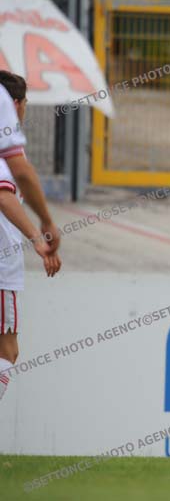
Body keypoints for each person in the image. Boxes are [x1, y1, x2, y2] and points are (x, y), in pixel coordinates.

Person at [0, 72, 62, 403]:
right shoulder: (7, 152)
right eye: (25, 103)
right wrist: (38, 237)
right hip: (1, 271)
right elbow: (4, 195)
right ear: (15, 105)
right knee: (7, 352)